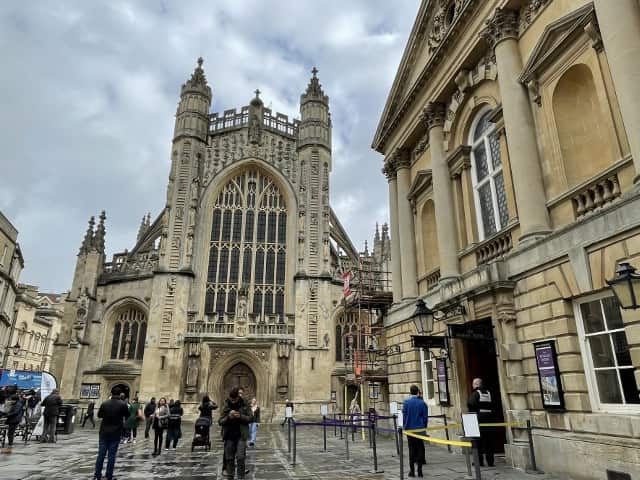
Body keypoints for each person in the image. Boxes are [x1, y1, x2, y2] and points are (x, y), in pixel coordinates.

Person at [219, 387, 253, 480]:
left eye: (235, 399)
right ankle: (230, 475)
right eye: (232, 399)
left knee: (241, 457)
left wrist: (240, 416)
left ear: (238, 397)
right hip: (229, 435)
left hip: (241, 435)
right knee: (229, 458)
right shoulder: (226, 404)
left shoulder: (245, 404)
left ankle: (241, 477)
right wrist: (228, 417)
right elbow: (220, 421)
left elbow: (251, 418)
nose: (233, 401)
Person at [93, 393, 129, 480]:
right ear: (119, 395)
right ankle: (109, 475)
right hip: (115, 433)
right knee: (111, 456)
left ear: (112, 394)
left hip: (104, 432)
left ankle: (97, 475)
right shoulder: (123, 404)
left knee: (101, 454)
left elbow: (99, 415)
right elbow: (128, 415)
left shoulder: (105, 403)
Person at [467, 378, 495, 467]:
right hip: (489, 419)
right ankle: (490, 461)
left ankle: (479, 461)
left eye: (473, 384)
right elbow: (494, 404)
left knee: (477, 442)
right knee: (489, 442)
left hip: (478, 419)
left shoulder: (475, 393)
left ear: (476, 384)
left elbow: (470, 404)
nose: (472, 385)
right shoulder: (489, 393)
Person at [403, 384, 428, 478]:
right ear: (417, 392)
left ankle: (412, 471)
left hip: (409, 429)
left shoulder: (406, 402)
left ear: (410, 392)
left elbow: (404, 417)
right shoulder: (422, 403)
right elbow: (425, 417)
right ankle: (420, 471)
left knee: (411, 449)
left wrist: (405, 426)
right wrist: (424, 427)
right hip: (420, 428)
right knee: (420, 448)